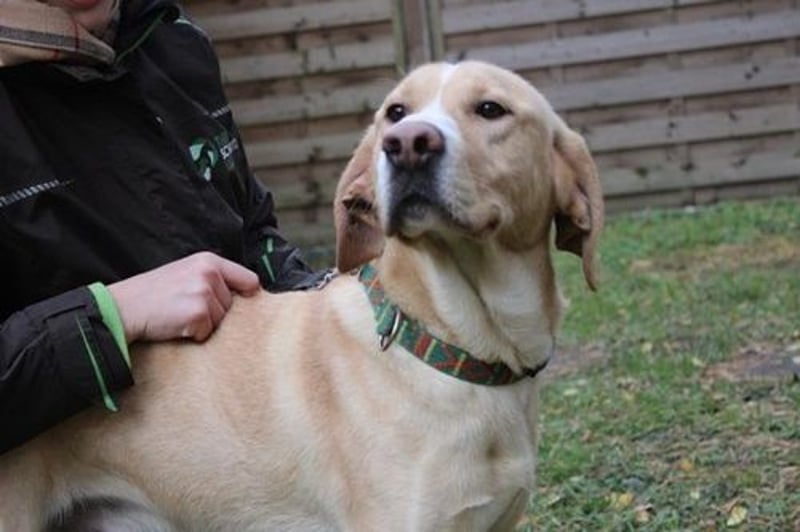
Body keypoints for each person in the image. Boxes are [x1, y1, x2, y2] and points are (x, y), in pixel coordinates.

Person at [0, 0, 326, 454]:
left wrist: (323, 302)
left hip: (245, 457)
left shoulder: (173, 38)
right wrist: (113, 314)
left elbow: (249, 230)